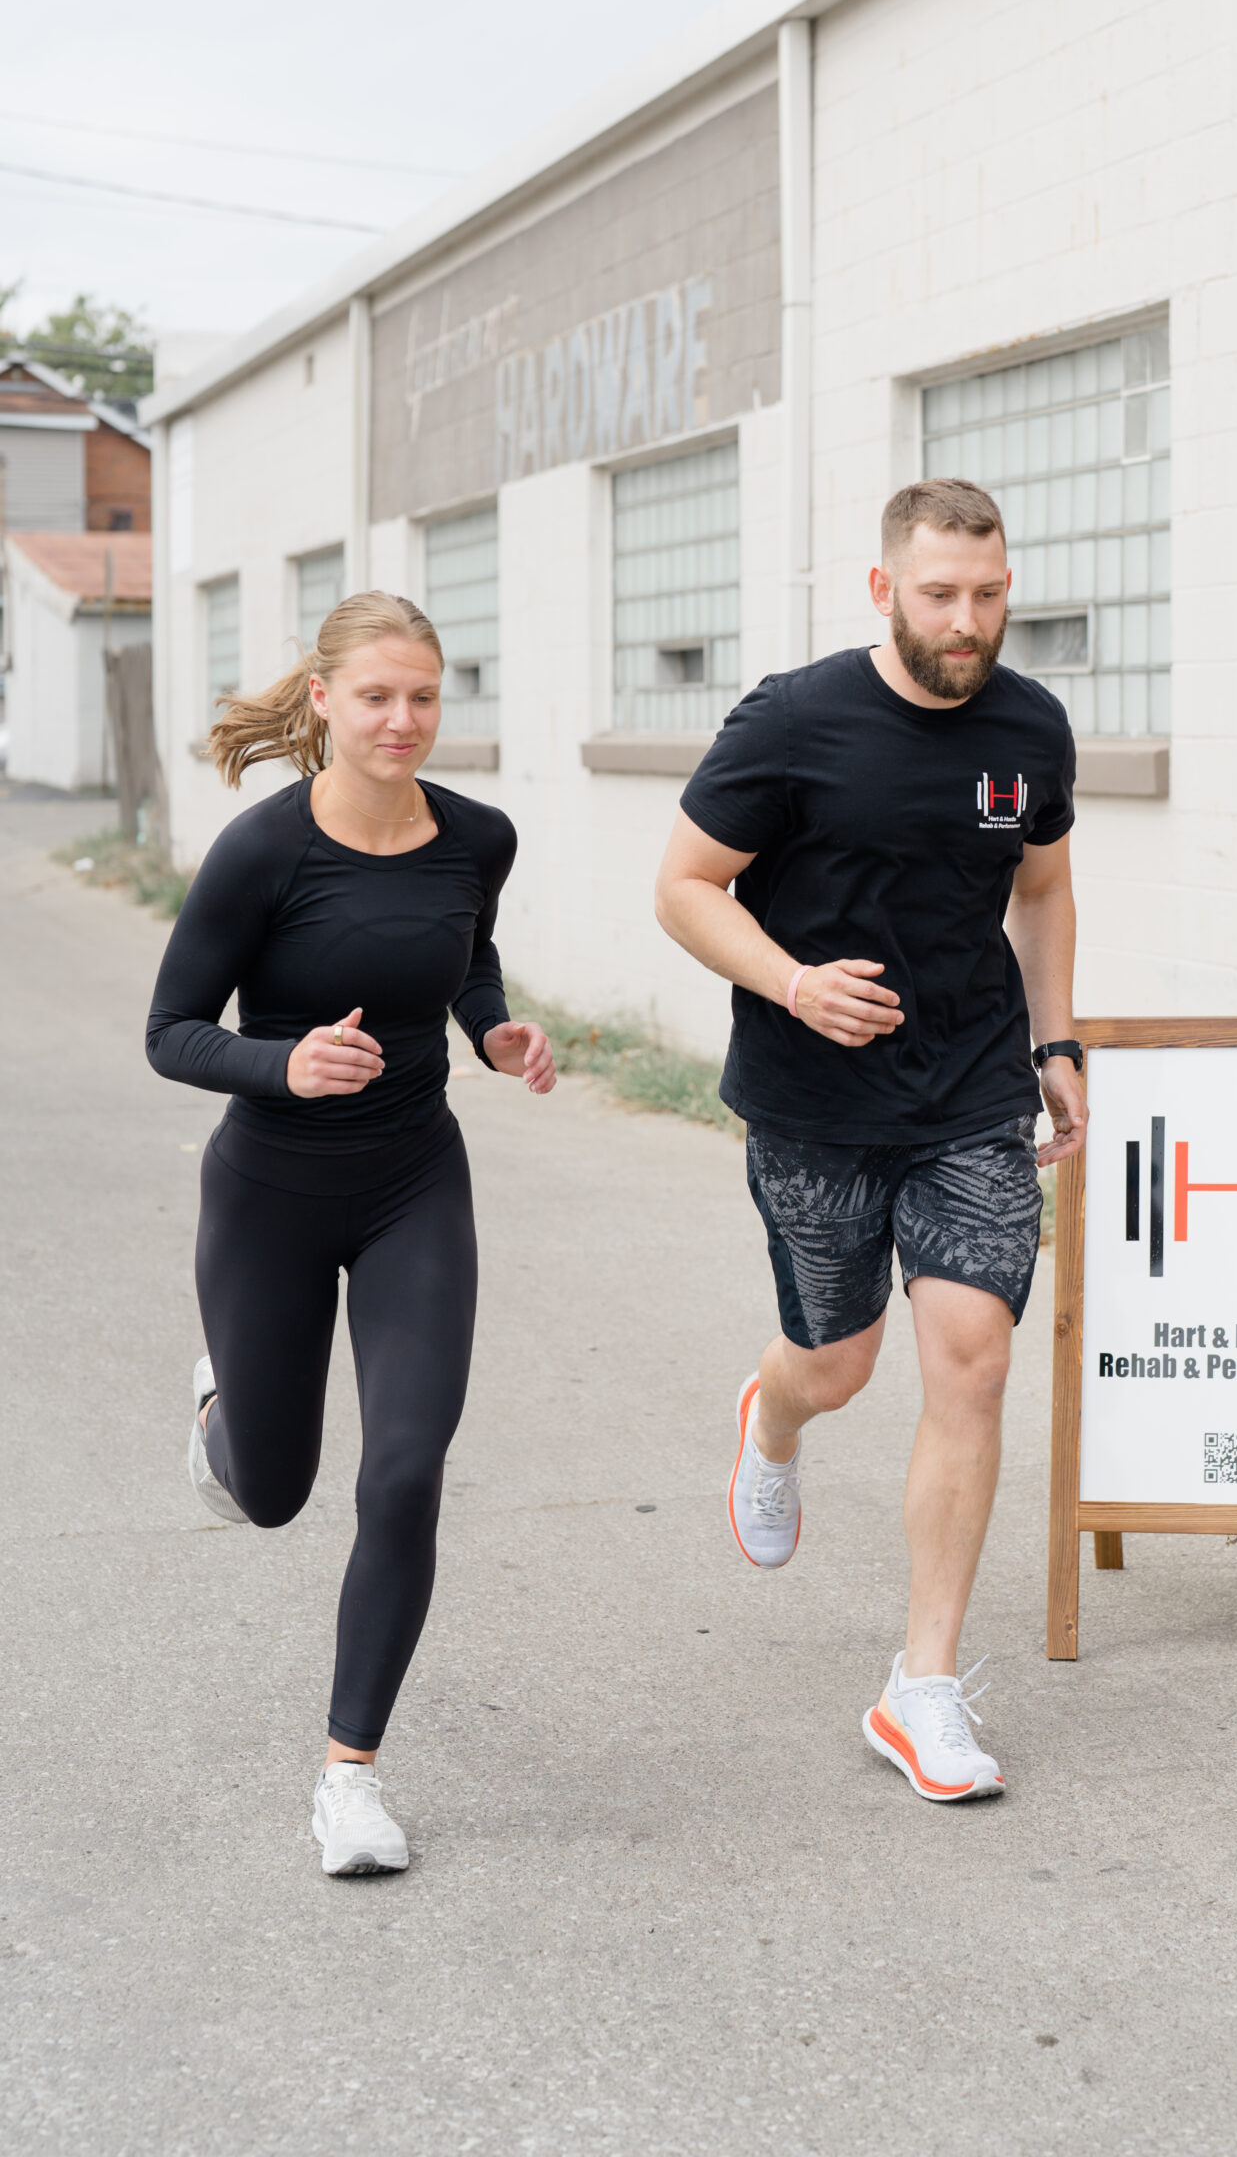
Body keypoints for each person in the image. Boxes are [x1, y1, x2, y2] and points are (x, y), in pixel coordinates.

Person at [655, 477, 1087, 1802]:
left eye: (989, 593)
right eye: (940, 594)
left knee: (971, 1353)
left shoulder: (1029, 726)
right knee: (835, 1365)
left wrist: (1055, 1042)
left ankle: (923, 1688)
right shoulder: (790, 722)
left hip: (965, 1092)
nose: (966, 621)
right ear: (882, 589)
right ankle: (770, 1418)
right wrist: (791, 980)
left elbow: (1043, 885)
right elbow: (681, 886)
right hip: (813, 1101)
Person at [145, 590, 555, 1875]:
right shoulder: (263, 852)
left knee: (406, 1471)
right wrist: (279, 1065)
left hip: (412, 1186)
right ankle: (224, 1406)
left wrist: (494, 1027)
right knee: (270, 1494)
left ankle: (350, 1776)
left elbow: (468, 958)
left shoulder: (478, 836)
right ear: (322, 701)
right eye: (377, 695)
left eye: (424, 696)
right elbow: (171, 1030)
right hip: (268, 1191)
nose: (403, 720)